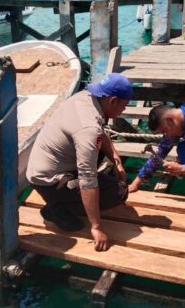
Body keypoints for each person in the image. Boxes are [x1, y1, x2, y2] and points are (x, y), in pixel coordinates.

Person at [26, 73, 133, 251]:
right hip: (50, 181)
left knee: (96, 153)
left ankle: (63, 198)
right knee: (119, 192)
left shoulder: (85, 98)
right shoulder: (87, 129)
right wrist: (96, 227)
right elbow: (88, 180)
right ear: (113, 101)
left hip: (46, 170)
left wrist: (117, 161)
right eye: (124, 105)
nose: (124, 110)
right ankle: (58, 208)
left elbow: (99, 132)